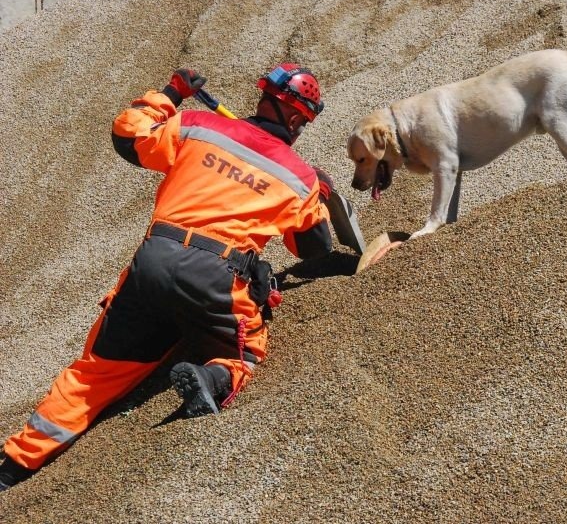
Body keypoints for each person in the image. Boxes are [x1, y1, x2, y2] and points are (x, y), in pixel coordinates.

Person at [0, 64, 334, 492]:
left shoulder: (198, 126)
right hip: (216, 277)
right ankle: (213, 377)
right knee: (245, 353)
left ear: (262, 98)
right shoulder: (297, 175)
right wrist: (319, 195)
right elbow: (313, 248)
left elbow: (129, 136)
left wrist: (170, 94)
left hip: (154, 261)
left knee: (94, 374)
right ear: (295, 119)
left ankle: (14, 464)